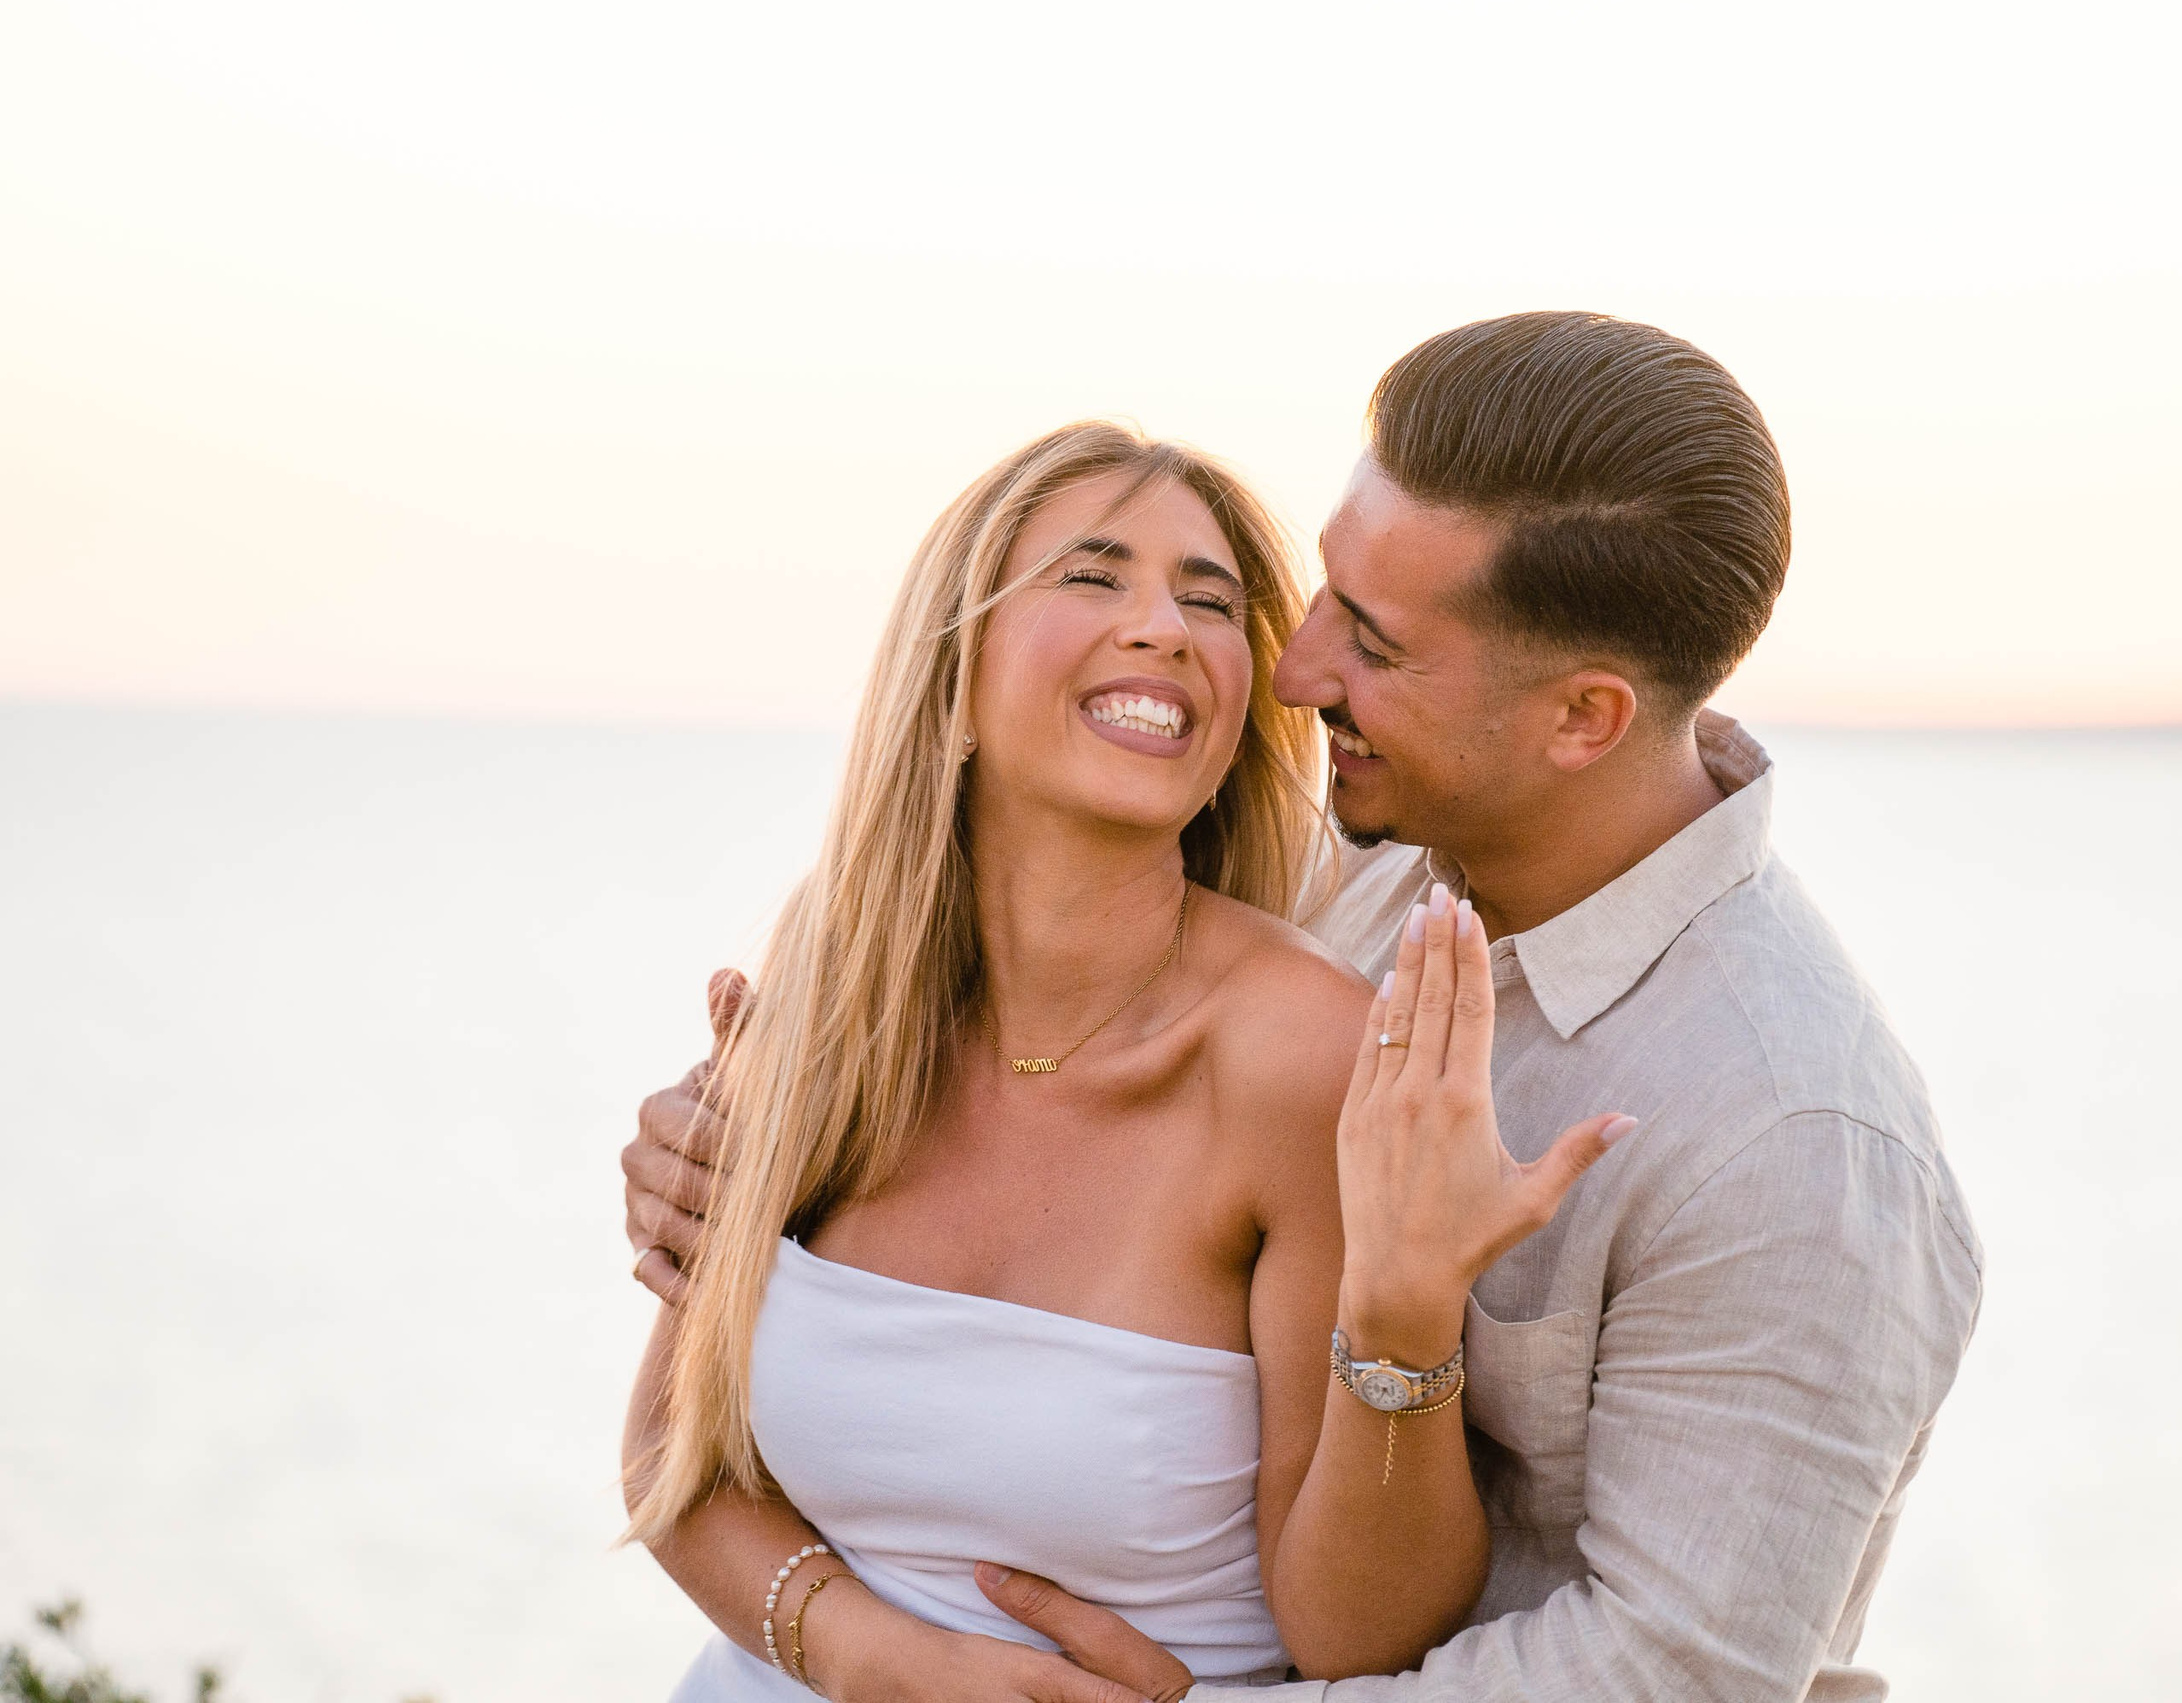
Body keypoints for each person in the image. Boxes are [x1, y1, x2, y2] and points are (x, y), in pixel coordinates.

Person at [626, 313, 1984, 1700]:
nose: (1292, 667)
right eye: (1318, 591)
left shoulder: (1797, 1143)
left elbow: (1674, 1673)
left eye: (1374, 644)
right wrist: (714, 1179)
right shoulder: (1344, 868)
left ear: (1581, 718)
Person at [621, 419, 1628, 1702]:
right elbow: (672, 1455)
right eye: (1094, 577)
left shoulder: (1301, 1056)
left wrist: (1408, 1312)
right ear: (955, 672)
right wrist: (883, 1661)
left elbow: (1355, 1638)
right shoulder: (831, 999)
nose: (1164, 626)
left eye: (1208, 602)